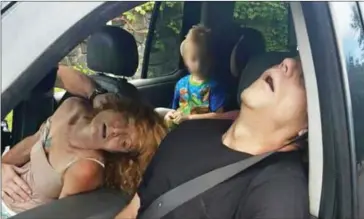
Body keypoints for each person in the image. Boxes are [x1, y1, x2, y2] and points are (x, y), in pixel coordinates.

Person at [116, 57, 309, 219]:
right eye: (290, 59)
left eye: (302, 79)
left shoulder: (280, 192)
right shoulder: (189, 131)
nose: (288, 62)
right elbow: (135, 209)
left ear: (307, 127)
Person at [1, 65, 167, 218]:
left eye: (125, 143)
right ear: (119, 109)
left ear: (120, 153)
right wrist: (3, 167)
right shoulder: (72, 107)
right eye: (125, 122)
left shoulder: (86, 168)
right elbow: (49, 70)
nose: (116, 132)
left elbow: (57, 215)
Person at [162, 24, 226, 128]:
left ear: (211, 59)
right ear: (185, 60)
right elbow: (175, 109)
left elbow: (218, 116)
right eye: (193, 59)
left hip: (201, 132)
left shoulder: (215, 87)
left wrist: (188, 117)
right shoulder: (181, 84)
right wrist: (170, 115)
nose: (199, 64)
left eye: (203, 58)